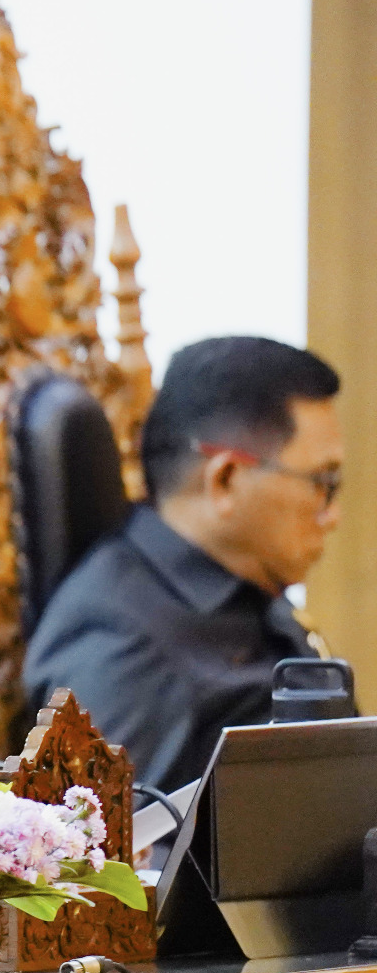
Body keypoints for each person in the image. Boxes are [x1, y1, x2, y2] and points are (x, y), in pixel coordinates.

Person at [26, 336, 345, 791]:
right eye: (323, 482)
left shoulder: (243, 583)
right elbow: (106, 853)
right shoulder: (121, 640)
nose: (332, 515)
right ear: (226, 479)